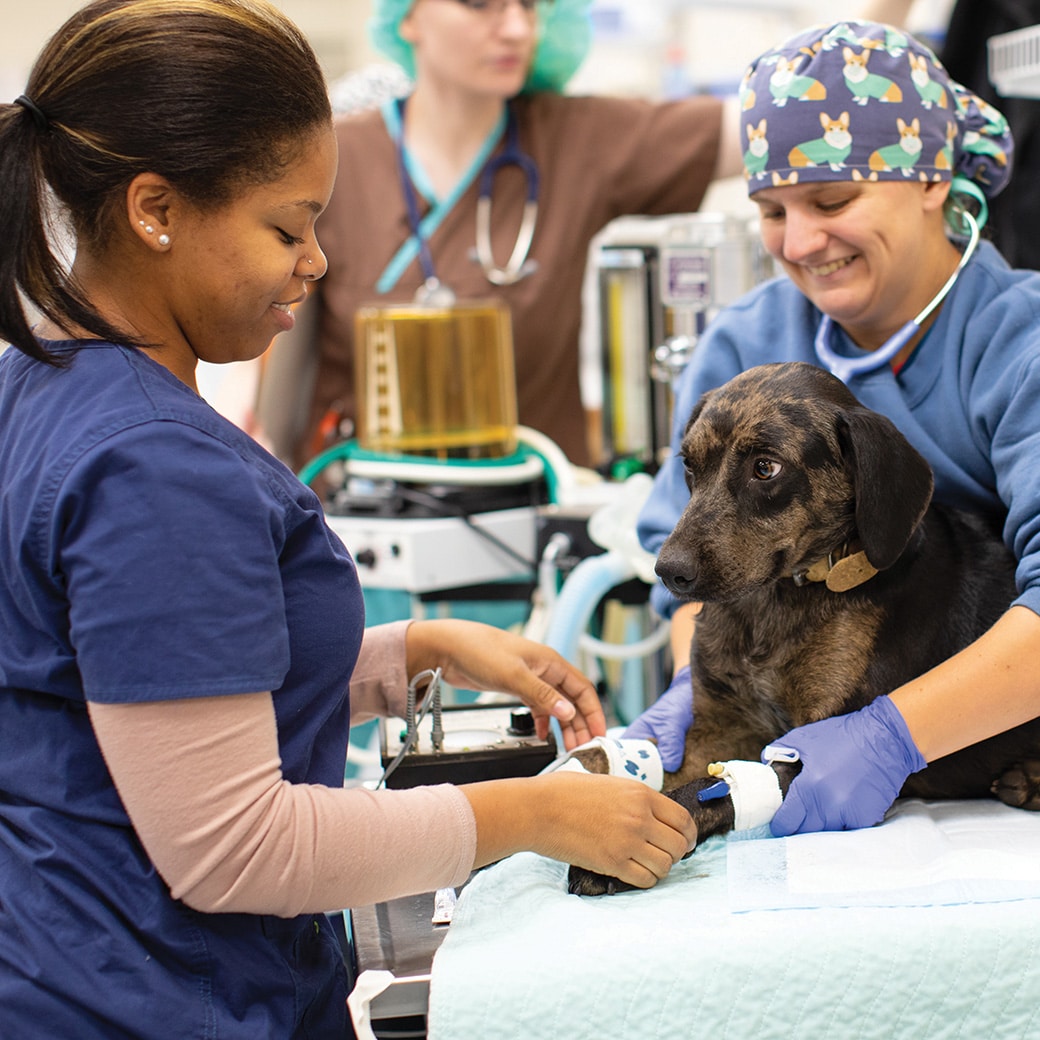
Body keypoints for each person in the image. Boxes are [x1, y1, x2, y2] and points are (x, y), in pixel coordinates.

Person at [0, 2, 697, 1035]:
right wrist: (534, 813)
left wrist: (405, 650)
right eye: (286, 226)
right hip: (146, 999)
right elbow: (235, 843)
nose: (317, 260)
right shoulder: (155, 466)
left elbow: (138, 687)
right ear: (154, 209)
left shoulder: (44, 382)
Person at [626, 19, 1040, 838]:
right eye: (771, 211)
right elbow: (682, 570)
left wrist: (892, 738)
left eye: (832, 200)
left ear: (932, 182)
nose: (802, 242)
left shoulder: (1018, 343)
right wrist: (707, 693)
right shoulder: (744, 346)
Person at [257, 0, 744, 473]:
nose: (516, 28)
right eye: (479, 4)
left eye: (528, 6)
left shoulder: (577, 138)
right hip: (359, 508)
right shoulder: (332, 155)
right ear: (407, 16)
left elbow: (757, 130)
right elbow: (261, 360)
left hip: (529, 507)